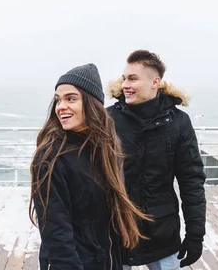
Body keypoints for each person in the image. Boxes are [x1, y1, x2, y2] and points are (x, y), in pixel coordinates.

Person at [29, 63, 151, 270]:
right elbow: (55, 232)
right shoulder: (52, 156)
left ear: (92, 104)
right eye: (59, 100)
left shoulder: (104, 150)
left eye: (71, 99)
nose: (61, 107)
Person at [106, 50, 207, 269]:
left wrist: (195, 234)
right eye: (124, 78)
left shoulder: (179, 122)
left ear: (155, 82)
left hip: (161, 233)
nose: (125, 85)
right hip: (115, 232)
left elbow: (192, 181)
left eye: (133, 78)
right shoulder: (108, 119)